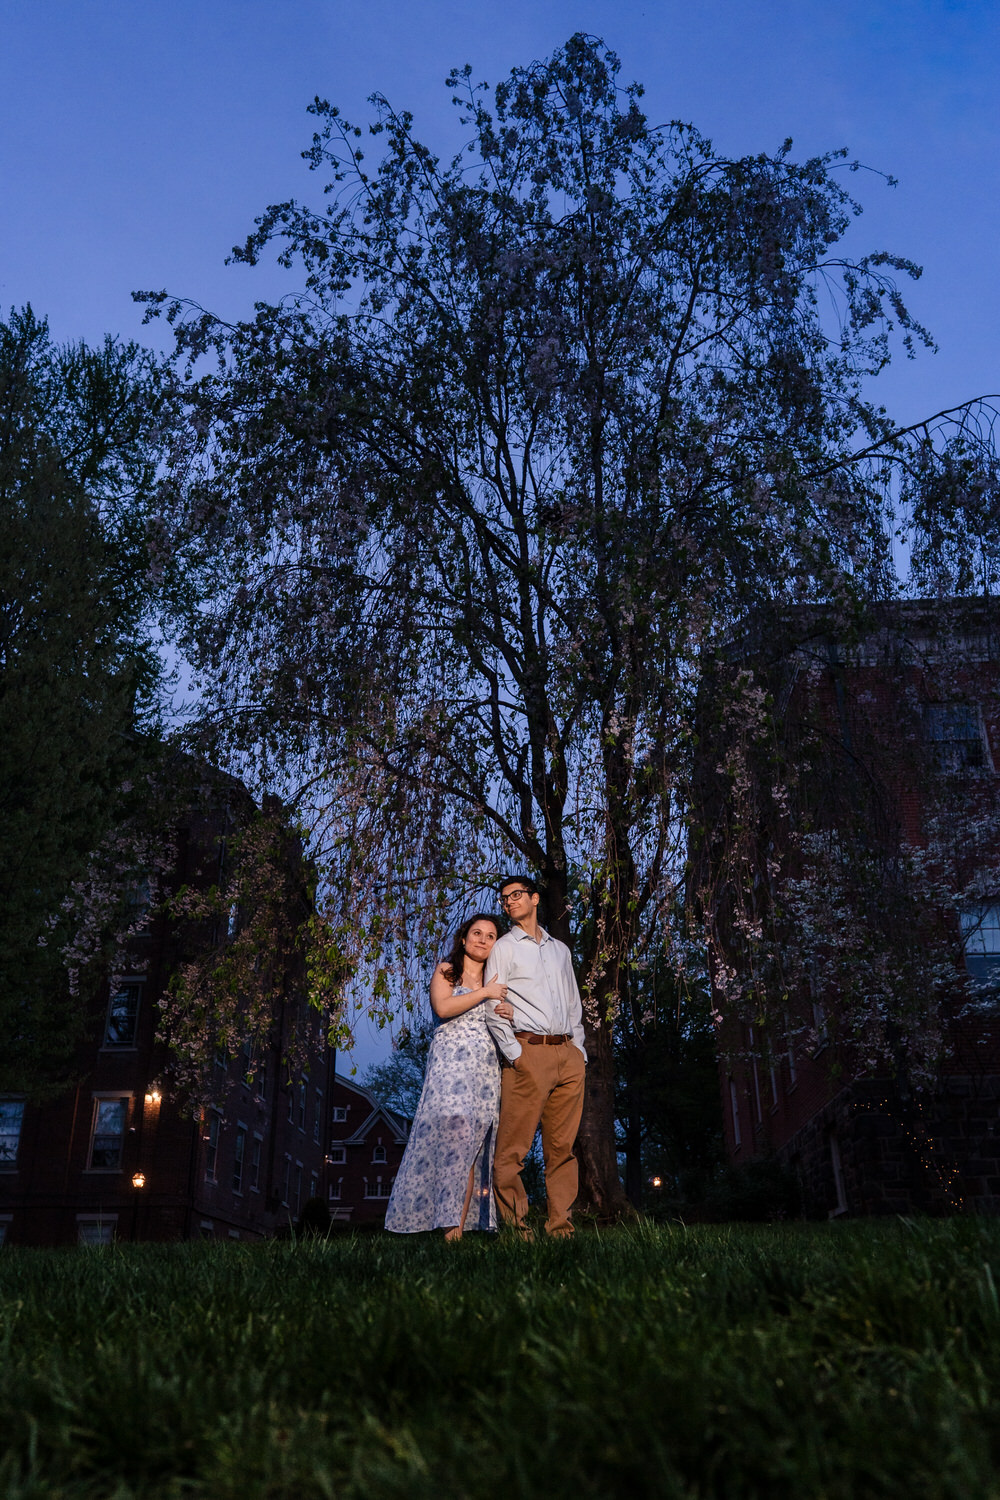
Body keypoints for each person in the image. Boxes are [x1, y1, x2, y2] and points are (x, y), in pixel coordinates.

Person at [385, 914, 513, 1240]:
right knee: (452, 1147)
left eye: (490, 935)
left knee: (467, 1154)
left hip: (485, 1075)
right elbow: (443, 1008)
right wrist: (485, 993)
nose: (483, 940)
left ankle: (456, 1233)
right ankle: (447, 1233)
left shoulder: (498, 981)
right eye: (477, 933)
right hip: (450, 1071)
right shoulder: (447, 970)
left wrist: (509, 1011)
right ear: (463, 938)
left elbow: (506, 1028)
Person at [484, 877, 587, 1239]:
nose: (509, 902)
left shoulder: (560, 950)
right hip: (528, 1053)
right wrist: (515, 1054)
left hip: (568, 1055)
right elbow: (493, 1005)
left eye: (516, 895)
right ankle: (517, 1231)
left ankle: (561, 1228)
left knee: (562, 1149)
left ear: (535, 899)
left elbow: (573, 1002)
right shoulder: (505, 948)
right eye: (504, 898)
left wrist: (580, 1051)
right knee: (512, 1152)